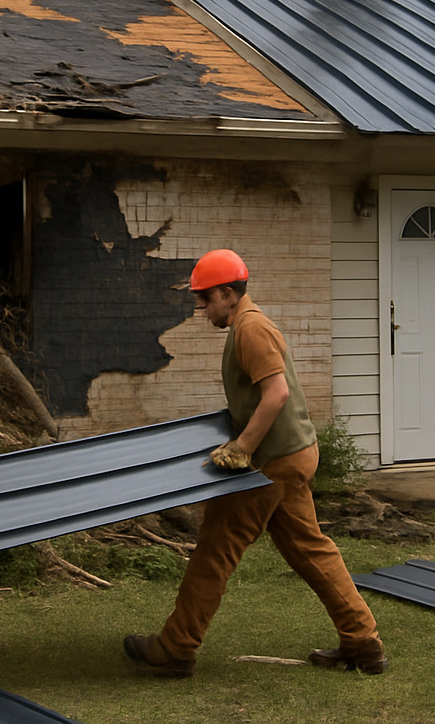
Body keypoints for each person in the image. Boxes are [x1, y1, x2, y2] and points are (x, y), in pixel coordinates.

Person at [123, 248, 385, 679]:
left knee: (215, 549)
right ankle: (363, 643)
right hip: (291, 455)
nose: (202, 308)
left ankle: (175, 648)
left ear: (228, 293)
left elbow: (276, 393)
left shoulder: (251, 328)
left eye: (206, 299)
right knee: (311, 551)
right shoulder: (247, 326)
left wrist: (243, 446)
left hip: (272, 463)